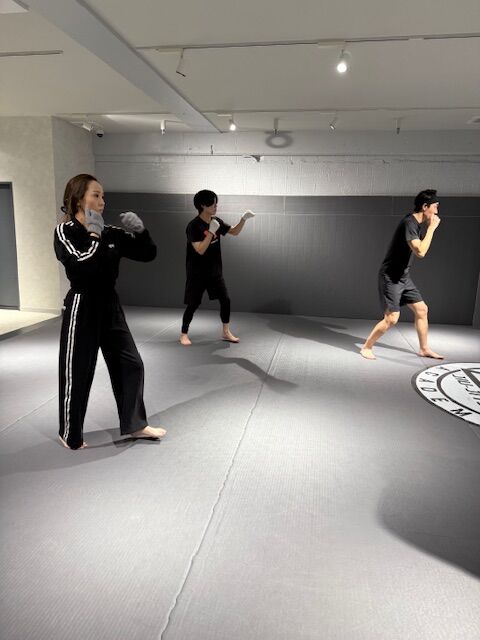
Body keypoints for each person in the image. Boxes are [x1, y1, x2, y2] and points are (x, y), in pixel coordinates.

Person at [54, 174, 166, 449]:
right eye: (96, 195)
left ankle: (135, 424)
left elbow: (148, 254)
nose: (102, 201)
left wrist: (141, 231)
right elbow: (80, 266)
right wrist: (94, 235)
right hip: (82, 304)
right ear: (78, 199)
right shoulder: (65, 232)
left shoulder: (112, 232)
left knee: (131, 363)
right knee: (78, 371)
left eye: (103, 196)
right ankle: (70, 433)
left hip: (109, 304)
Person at [360, 189, 443, 361]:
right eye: (435, 207)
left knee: (422, 310)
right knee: (392, 318)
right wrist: (432, 229)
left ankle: (424, 349)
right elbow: (420, 252)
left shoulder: (416, 224)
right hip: (391, 277)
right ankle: (366, 347)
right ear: (425, 206)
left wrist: (428, 228)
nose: (437, 211)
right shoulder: (409, 223)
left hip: (403, 277)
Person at [180, 190, 255, 345]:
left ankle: (225, 332)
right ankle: (184, 334)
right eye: (213, 204)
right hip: (197, 273)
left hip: (214, 271)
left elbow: (234, 231)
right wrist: (211, 232)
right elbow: (200, 250)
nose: (216, 206)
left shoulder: (216, 221)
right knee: (193, 304)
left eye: (216, 203)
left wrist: (243, 219)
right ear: (203, 205)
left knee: (225, 300)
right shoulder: (193, 226)